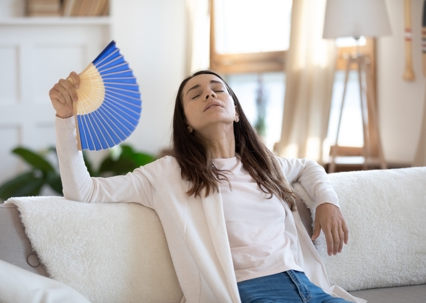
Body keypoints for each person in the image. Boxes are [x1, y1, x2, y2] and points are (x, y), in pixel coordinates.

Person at [49, 70, 360, 303]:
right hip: (248, 292)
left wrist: (326, 202)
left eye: (217, 89)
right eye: (195, 94)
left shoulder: (264, 164)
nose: (209, 95)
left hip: (307, 287)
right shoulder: (168, 174)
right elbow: (84, 191)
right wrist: (66, 119)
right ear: (186, 122)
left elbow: (308, 167)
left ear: (236, 111)